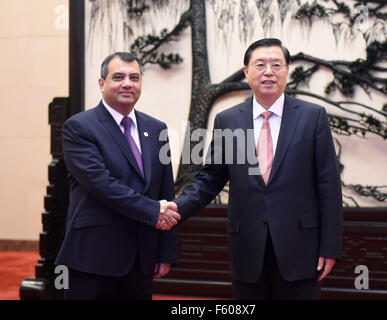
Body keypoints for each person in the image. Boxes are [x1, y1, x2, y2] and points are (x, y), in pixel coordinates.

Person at [168, 38, 342, 299]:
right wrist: (175, 209)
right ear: (247, 72)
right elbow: (211, 177)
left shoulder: (312, 116)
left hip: (301, 247)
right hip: (248, 247)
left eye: (276, 64)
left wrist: (330, 246)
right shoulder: (228, 120)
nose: (268, 71)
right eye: (260, 65)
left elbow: (328, 184)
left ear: (287, 71)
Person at [55, 52, 180, 300]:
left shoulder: (157, 129)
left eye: (134, 77)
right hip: (92, 257)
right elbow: (101, 184)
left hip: (141, 259)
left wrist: (165, 252)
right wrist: (153, 210)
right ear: (102, 84)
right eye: (118, 77)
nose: (127, 83)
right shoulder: (79, 127)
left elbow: (165, 190)